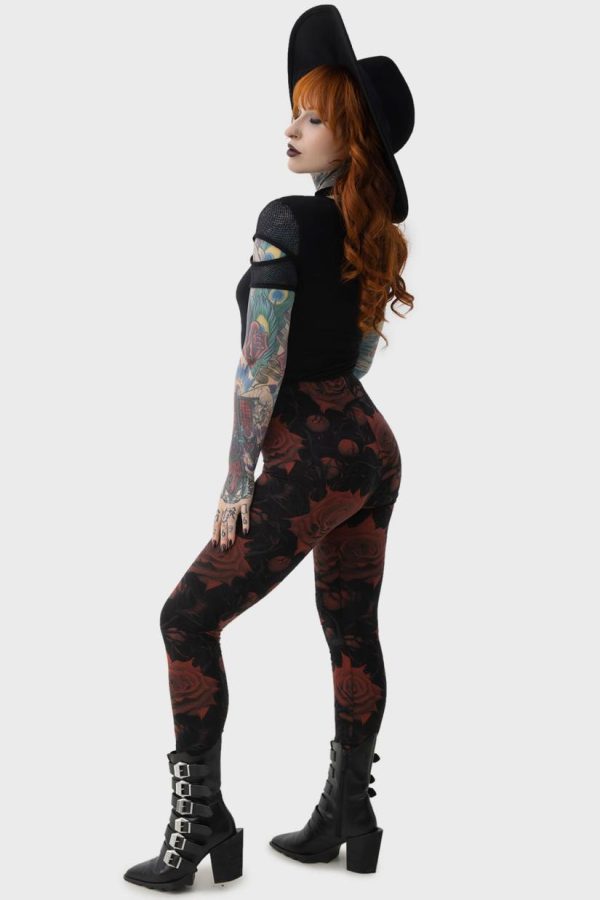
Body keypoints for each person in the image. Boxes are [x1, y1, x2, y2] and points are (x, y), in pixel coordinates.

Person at [123, 4, 414, 890]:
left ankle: (203, 821)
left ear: (349, 139)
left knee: (186, 618)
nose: (291, 128)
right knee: (352, 625)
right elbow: (358, 355)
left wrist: (236, 479)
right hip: (371, 446)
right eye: (295, 112)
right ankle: (350, 816)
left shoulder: (285, 219)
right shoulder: (369, 231)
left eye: (313, 117)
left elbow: (263, 365)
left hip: (307, 453)